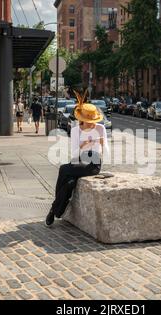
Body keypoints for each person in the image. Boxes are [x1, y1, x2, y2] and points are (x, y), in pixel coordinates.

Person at [45, 91, 108, 227]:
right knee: (69, 183)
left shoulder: (101, 128)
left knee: (63, 169)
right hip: (79, 160)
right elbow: (74, 153)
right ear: (82, 120)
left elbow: (105, 151)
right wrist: (84, 145)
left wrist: (100, 144)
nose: (92, 124)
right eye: (89, 121)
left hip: (93, 163)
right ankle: (56, 210)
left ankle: (53, 209)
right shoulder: (75, 130)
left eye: (94, 121)